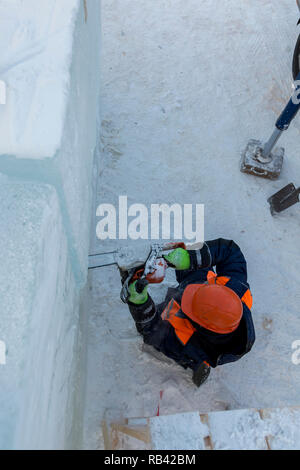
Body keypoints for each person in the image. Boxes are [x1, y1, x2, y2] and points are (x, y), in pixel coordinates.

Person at [126, 238, 255, 387]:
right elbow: (229, 251)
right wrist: (191, 259)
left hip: (197, 349)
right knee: (194, 263)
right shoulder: (237, 290)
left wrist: (140, 303)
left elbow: (150, 331)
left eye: (190, 302)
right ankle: (193, 269)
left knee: (180, 349)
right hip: (203, 287)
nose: (188, 293)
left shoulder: (186, 341)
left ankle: (197, 365)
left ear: (200, 325)